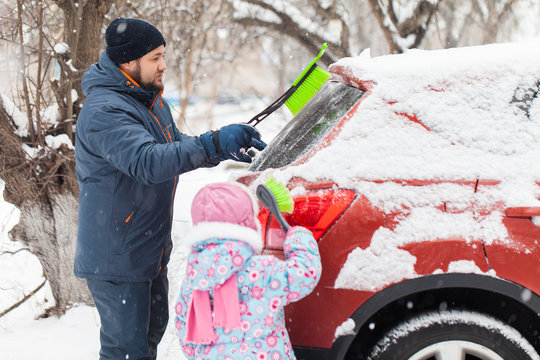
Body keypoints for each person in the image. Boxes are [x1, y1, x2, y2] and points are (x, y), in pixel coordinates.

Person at [74, 18, 266, 360]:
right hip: (117, 259)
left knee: (146, 345)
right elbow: (148, 161)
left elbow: (174, 147)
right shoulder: (105, 110)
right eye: (155, 57)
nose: (164, 64)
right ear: (128, 63)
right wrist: (212, 144)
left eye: (163, 55)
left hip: (147, 251)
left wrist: (221, 144)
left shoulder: (150, 102)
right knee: (126, 353)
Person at [174, 182, 321, 359]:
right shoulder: (261, 272)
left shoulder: (194, 282)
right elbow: (303, 274)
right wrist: (299, 238)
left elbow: (185, 329)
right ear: (249, 225)